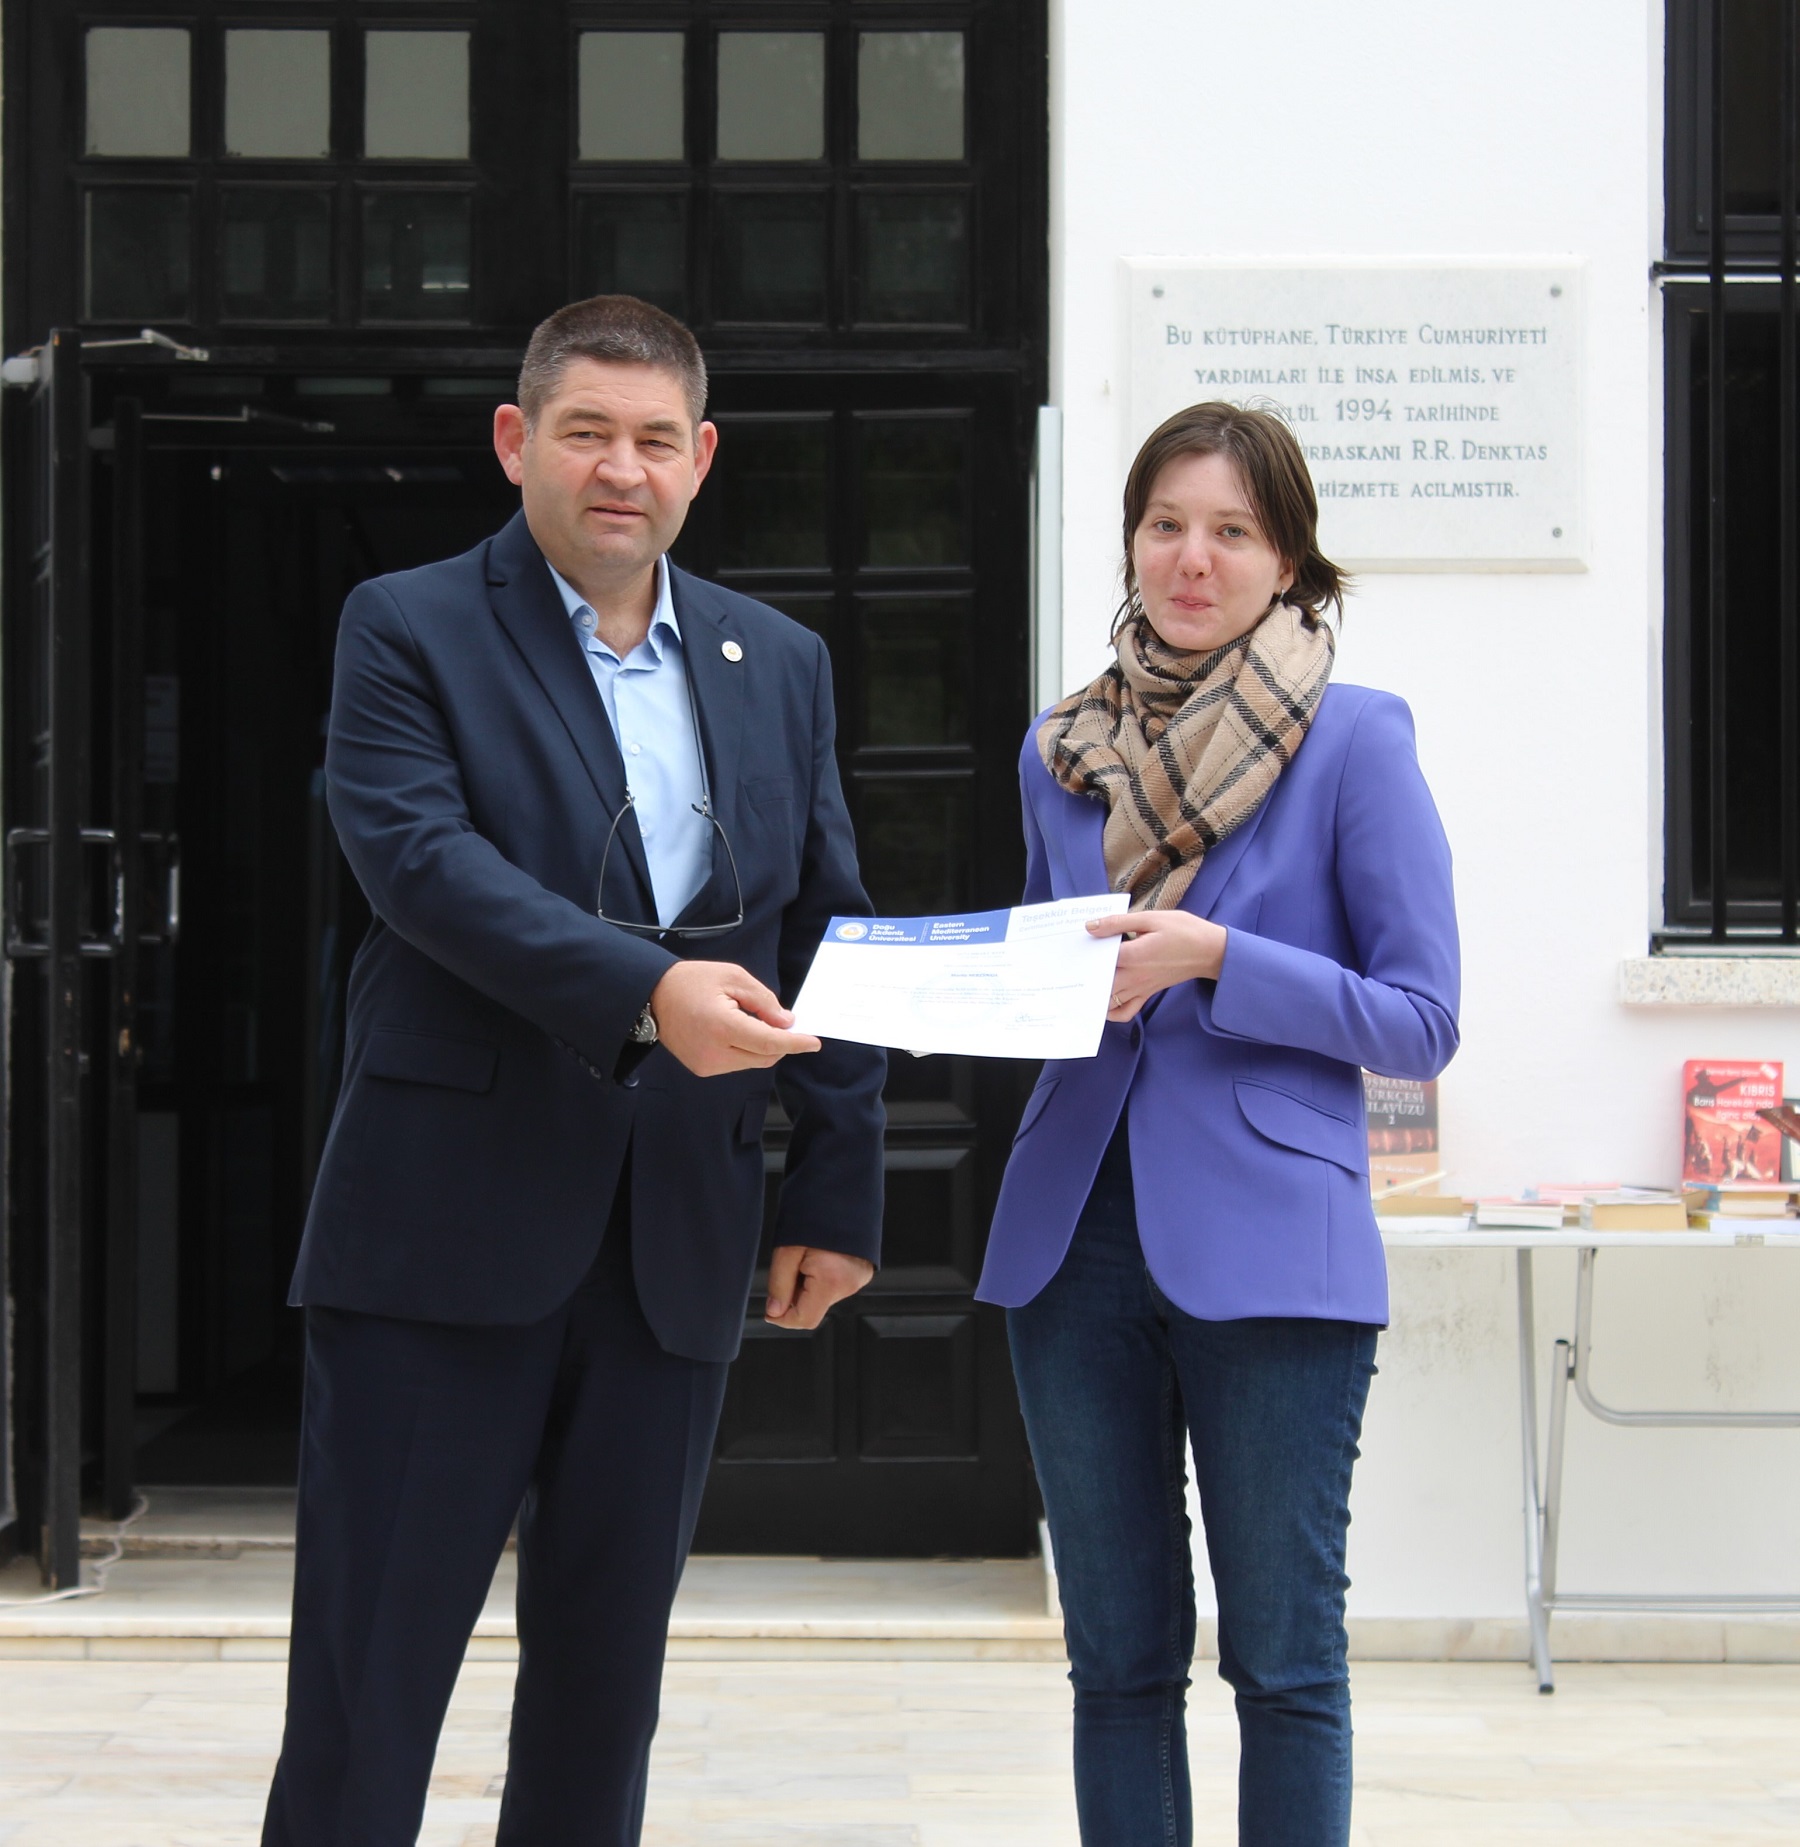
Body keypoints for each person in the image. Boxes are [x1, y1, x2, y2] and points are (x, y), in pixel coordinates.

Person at [261, 295, 886, 1847]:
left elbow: (827, 925)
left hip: (675, 1238)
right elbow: (422, 866)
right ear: (515, 440)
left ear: (702, 459)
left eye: (656, 440)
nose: (623, 469)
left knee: (604, 1703)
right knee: (367, 1694)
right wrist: (649, 993)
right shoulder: (407, 626)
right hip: (439, 1236)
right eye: (588, 432)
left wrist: (837, 1182)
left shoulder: (779, 660)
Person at [977, 403, 1460, 1847]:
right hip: (1072, 1242)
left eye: (1233, 531)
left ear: (1287, 559)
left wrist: (1219, 961)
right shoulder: (1061, 749)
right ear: (1132, 542)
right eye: (1167, 525)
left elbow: (1420, 1018)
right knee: (1116, 1664)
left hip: (1275, 1248)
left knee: (1286, 1664)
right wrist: (991, 988)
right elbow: (1054, 966)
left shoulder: (1356, 739)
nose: (1193, 558)